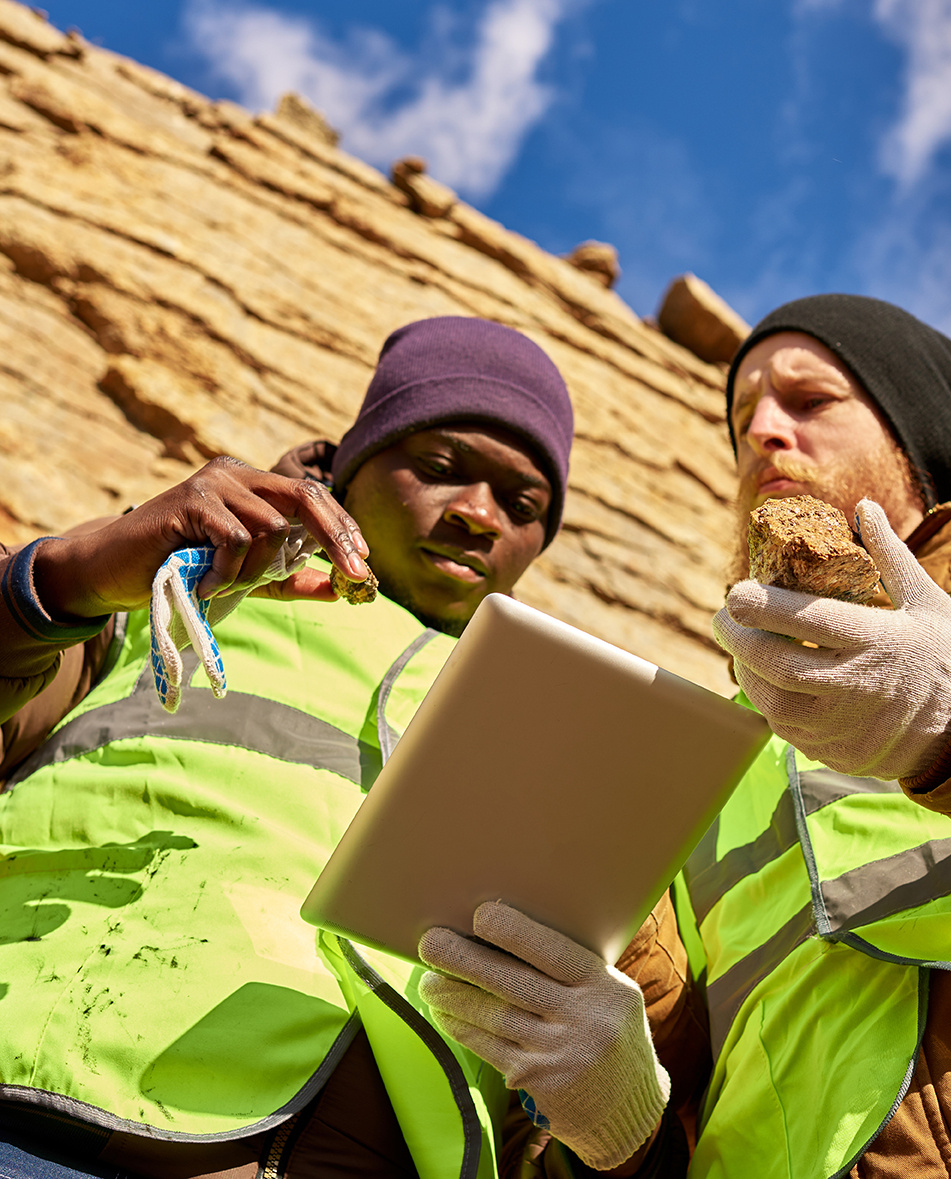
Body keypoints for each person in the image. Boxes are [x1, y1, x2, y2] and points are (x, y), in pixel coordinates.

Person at [421, 294, 951, 1178]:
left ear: (907, 434)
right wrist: (620, 1131)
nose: (763, 436)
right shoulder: (692, 753)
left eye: (808, 400)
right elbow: (662, 1090)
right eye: (741, 422)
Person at [0, 315, 601, 1179]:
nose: (477, 515)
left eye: (523, 505)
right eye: (440, 468)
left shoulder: (559, 724)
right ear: (351, 468)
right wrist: (63, 576)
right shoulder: (172, 587)